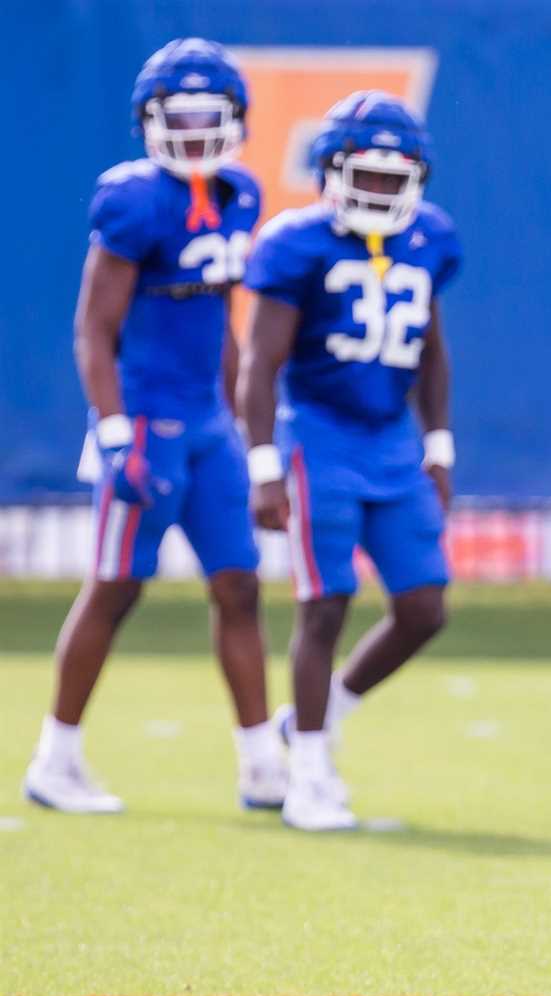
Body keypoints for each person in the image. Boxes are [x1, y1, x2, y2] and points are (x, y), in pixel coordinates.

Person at [23, 39, 286, 814]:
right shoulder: (134, 199)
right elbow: (92, 330)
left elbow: (221, 315)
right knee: (116, 585)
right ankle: (55, 758)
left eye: (211, 115)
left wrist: (240, 417)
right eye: (182, 115)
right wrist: (110, 430)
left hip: (209, 422)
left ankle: (260, 761)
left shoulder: (239, 193)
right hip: (144, 420)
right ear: (149, 121)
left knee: (238, 585)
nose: (198, 130)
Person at [238, 92, 458, 832]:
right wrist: (264, 463)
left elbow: (430, 349)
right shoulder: (295, 243)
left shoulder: (429, 239)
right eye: (366, 175)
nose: (380, 193)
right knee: (323, 604)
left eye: (396, 179)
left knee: (424, 606)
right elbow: (259, 363)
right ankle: (305, 771)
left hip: (392, 440)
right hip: (317, 436)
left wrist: (438, 443)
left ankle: (311, 722)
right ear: (330, 172)